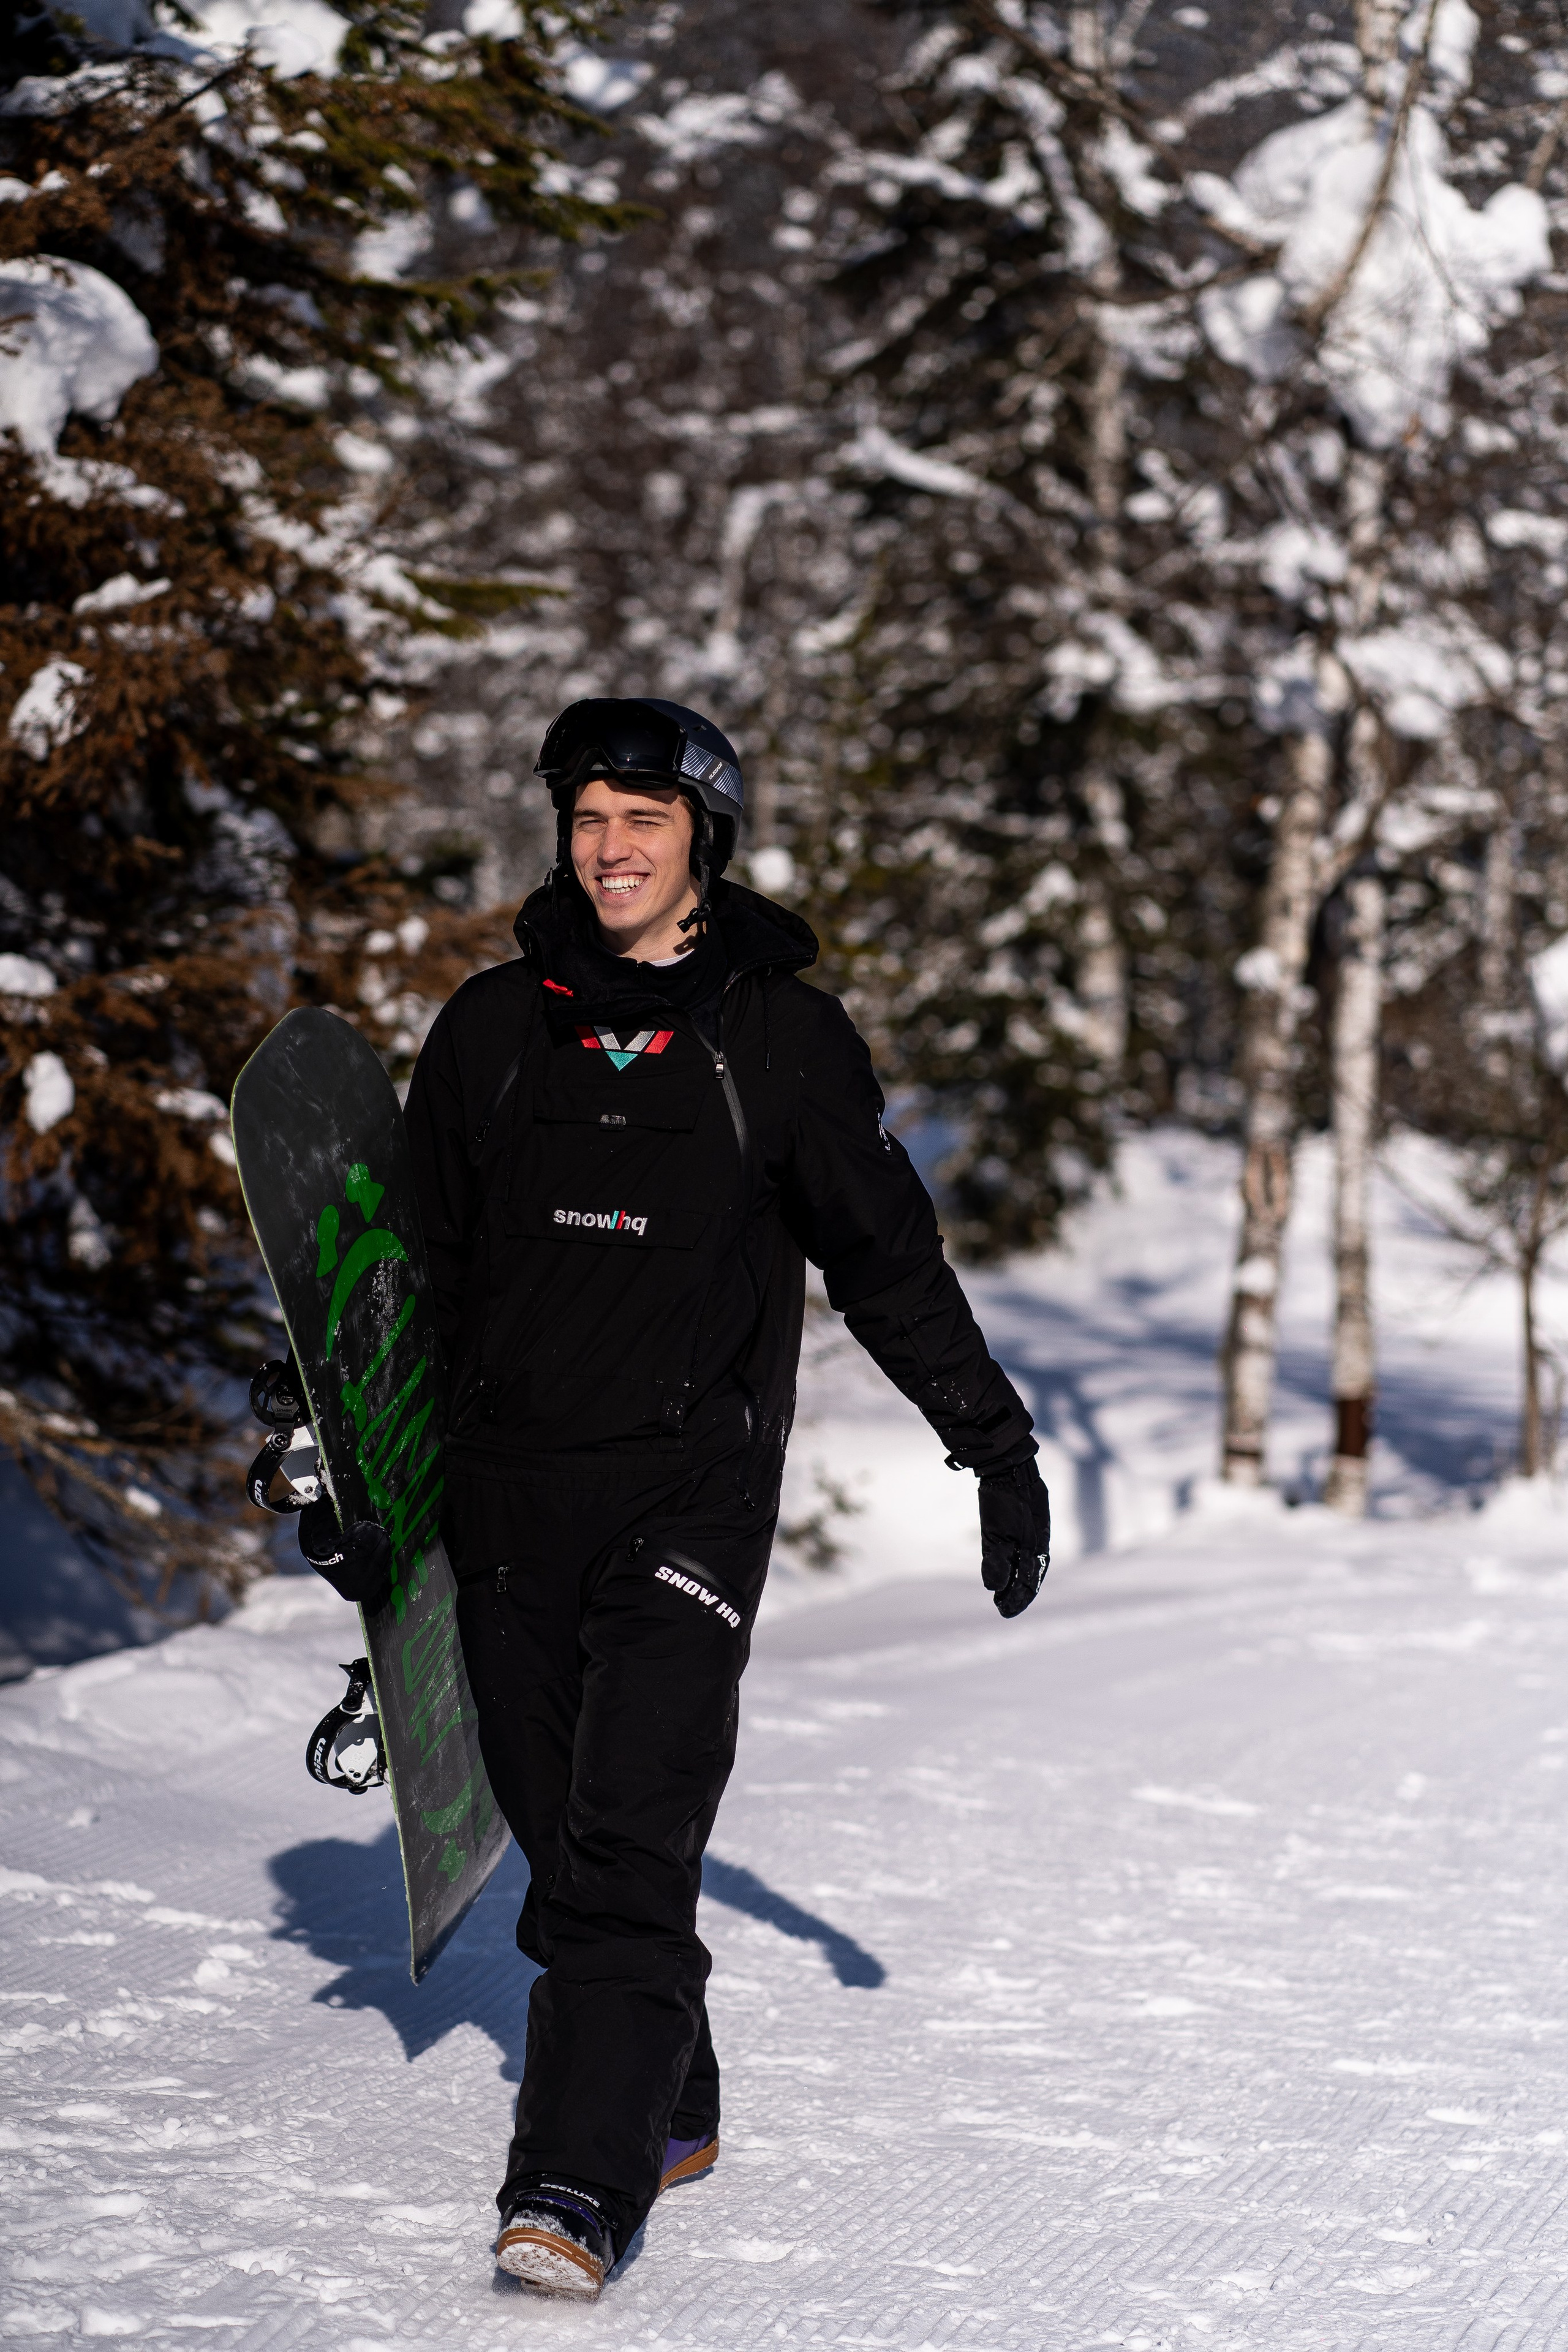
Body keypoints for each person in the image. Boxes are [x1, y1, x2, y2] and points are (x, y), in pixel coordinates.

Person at [400, 696, 1051, 2300]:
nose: (610, 847)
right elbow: (408, 1273)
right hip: (507, 1500)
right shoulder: (491, 1031)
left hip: (689, 1502)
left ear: (706, 840)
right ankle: (668, 2082)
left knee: (628, 1840)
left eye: (645, 819)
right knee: (560, 1831)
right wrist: (348, 1460)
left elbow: (890, 1264)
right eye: (588, 817)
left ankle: (575, 2180)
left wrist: (994, 1443)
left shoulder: (783, 1041)